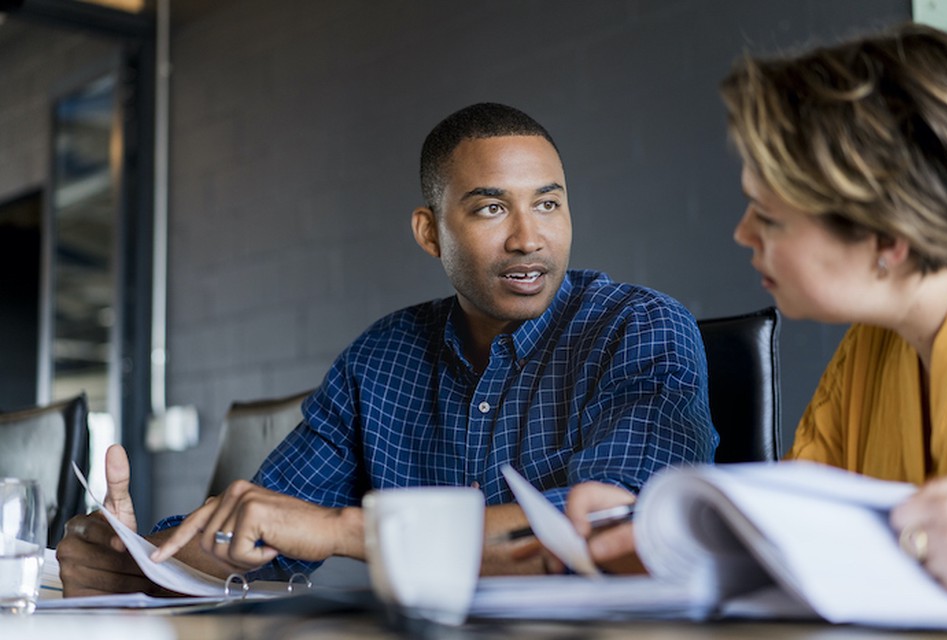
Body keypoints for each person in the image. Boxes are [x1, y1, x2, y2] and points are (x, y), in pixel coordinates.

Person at [57, 102, 717, 596]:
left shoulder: (640, 328)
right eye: (492, 209)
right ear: (430, 232)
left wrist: (343, 531)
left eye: (547, 205)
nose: (528, 238)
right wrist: (141, 556)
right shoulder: (382, 358)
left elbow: (611, 536)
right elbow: (269, 528)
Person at [561, 22, 947, 592]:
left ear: (888, 236)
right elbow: (801, 531)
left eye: (769, 217)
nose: (743, 234)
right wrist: (662, 537)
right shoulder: (872, 345)